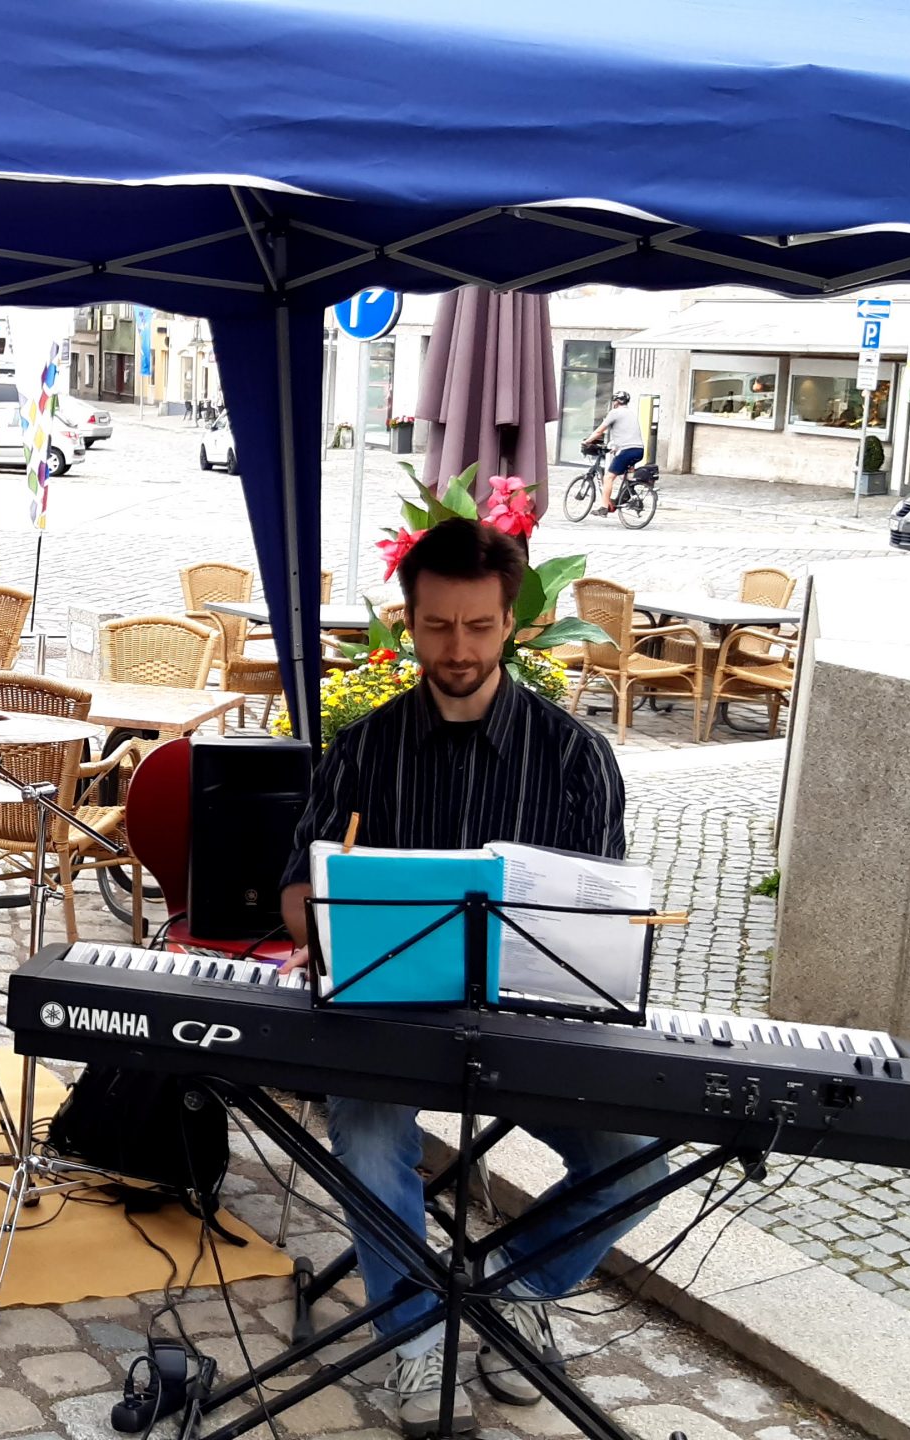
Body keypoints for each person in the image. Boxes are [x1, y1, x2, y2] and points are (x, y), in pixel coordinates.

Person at [277, 517, 664, 1436]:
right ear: (407, 623)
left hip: (528, 1031)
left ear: (512, 624)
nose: (458, 649)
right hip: (389, 1022)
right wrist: (324, 917)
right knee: (369, 1136)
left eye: (480, 627)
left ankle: (508, 1296)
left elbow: (595, 917)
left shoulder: (576, 756)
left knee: (635, 1160)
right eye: (438, 626)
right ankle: (413, 1338)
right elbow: (295, 893)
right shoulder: (363, 748)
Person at [583, 391, 645, 516]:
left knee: (608, 477)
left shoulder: (614, 413)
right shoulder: (631, 413)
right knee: (624, 475)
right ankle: (630, 496)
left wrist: (587, 441)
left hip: (627, 451)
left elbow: (599, 431)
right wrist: (616, 446)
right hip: (639, 450)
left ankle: (604, 507)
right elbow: (626, 433)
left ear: (616, 401)